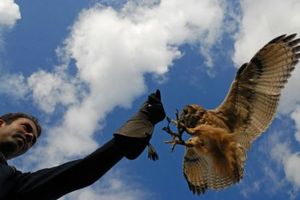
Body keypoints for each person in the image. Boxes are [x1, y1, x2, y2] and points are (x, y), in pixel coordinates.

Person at [0, 90, 166, 200]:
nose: (29, 137)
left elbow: (79, 173)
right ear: (1, 123)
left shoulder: (11, 181)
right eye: (26, 127)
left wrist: (142, 122)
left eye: (32, 140)